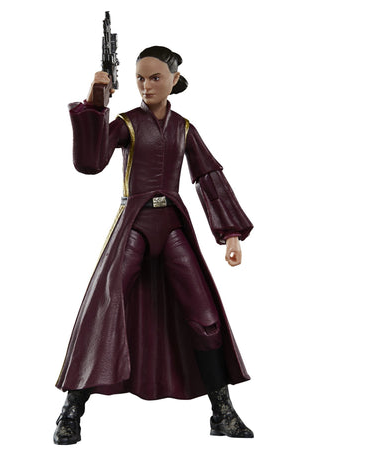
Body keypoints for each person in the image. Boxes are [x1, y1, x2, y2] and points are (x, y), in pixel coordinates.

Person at [53, 46, 254, 444]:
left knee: (205, 315)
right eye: (140, 78)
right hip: (136, 225)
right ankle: (71, 410)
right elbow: (91, 162)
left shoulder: (183, 128)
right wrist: (96, 102)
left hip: (172, 226)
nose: (146, 86)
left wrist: (230, 231)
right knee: (104, 308)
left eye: (156, 78)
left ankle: (222, 412)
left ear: (174, 80)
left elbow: (208, 176)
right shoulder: (127, 123)